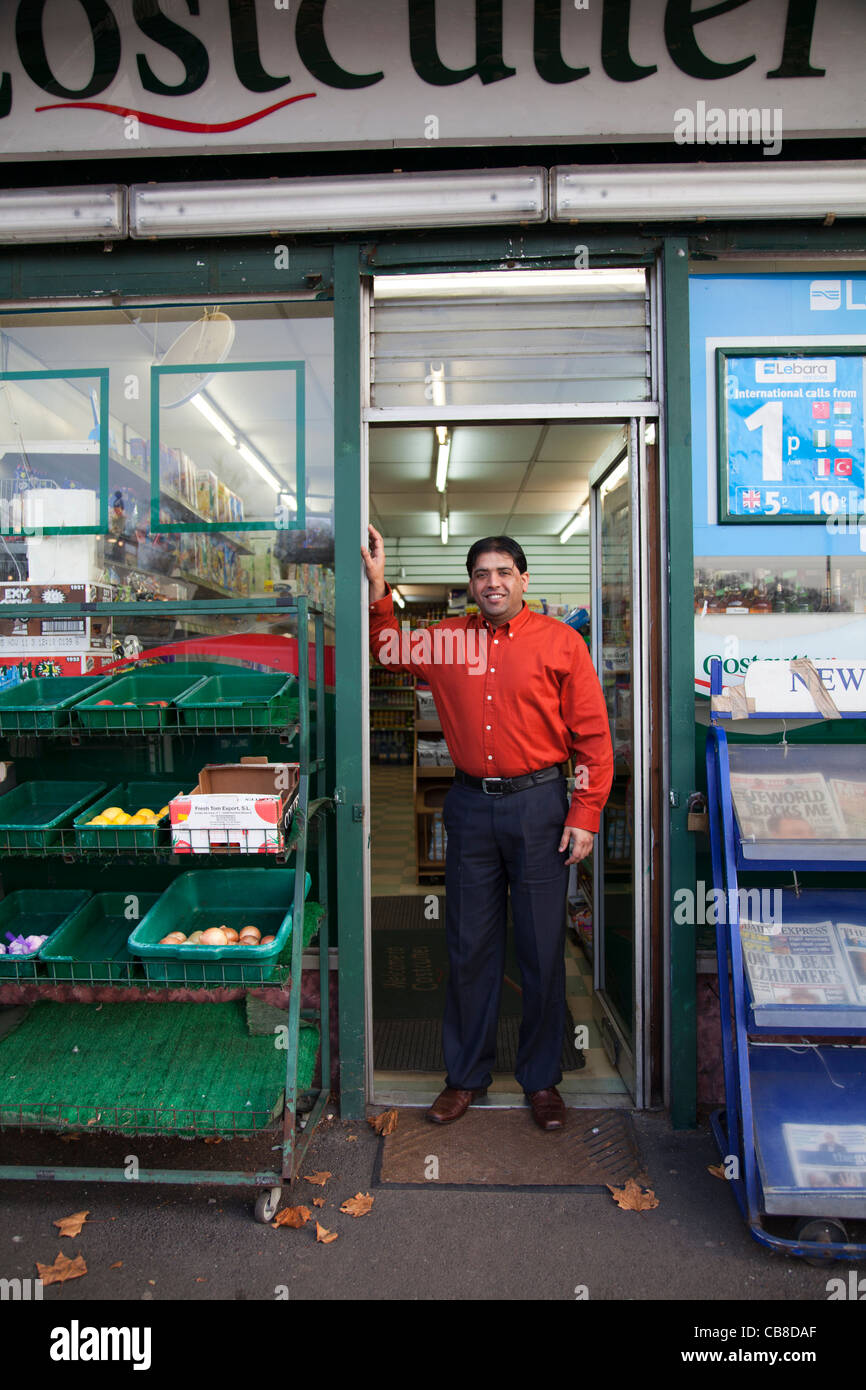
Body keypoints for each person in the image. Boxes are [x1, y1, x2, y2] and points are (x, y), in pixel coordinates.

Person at [361, 524, 614, 1130]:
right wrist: (378, 585)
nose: (493, 583)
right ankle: (465, 1076)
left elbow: (593, 738)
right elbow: (388, 650)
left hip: (541, 808)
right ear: (470, 586)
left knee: (540, 948)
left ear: (524, 580)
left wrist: (585, 813)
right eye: (481, 575)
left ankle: (542, 1081)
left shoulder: (560, 644)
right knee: (469, 947)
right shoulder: (446, 642)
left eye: (504, 573)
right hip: (471, 808)